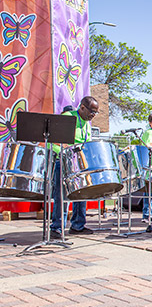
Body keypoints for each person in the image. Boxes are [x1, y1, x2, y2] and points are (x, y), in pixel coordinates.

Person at [50, 96, 99, 239]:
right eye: (92, 111)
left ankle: (78, 225)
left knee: (81, 194)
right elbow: (56, 140)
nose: (93, 115)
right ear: (82, 107)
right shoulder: (68, 117)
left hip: (79, 164)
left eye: (96, 113)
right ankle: (57, 228)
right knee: (61, 196)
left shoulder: (87, 124)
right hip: (63, 161)